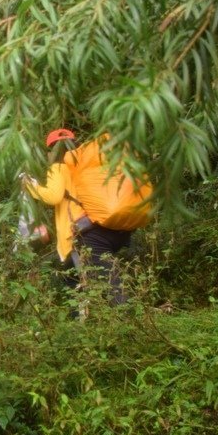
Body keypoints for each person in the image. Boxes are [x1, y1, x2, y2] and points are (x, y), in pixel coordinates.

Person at [23, 128, 137, 305]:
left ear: (49, 151)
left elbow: (53, 196)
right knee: (80, 283)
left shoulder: (59, 166)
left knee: (103, 287)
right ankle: (90, 324)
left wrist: (30, 184)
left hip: (85, 234)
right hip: (110, 228)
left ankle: (127, 323)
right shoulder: (87, 166)